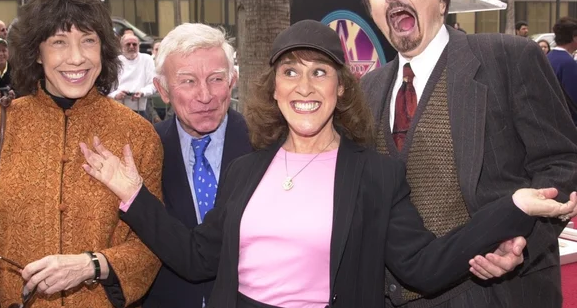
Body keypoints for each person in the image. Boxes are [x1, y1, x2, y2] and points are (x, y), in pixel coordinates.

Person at [80, 20, 577, 308]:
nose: (304, 85)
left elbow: (425, 267)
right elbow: (194, 257)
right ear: (273, 90)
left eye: (320, 72)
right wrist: (132, 194)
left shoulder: (376, 175)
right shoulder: (246, 172)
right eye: (290, 72)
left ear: (340, 89)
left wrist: (511, 206)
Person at [357, 0, 577, 308]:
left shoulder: (507, 58)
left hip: (496, 294)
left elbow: (561, 163)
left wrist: (521, 241)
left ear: (441, 0)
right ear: (373, 11)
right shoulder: (368, 89)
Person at [0, 0, 163, 308]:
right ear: (37, 51)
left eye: (88, 40)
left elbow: (152, 246)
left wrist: (92, 265)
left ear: (103, 49)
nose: (76, 57)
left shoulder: (138, 135)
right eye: (59, 42)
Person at [143, 23, 253, 308]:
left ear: (233, 81)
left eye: (216, 79)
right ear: (163, 90)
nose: (205, 96)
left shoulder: (265, 145)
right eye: (188, 81)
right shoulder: (145, 149)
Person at [109, 33, 156, 119]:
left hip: (140, 110)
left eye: (134, 44)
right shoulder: (115, 62)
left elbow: (153, 84)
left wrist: (142, 92)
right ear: (121, 46)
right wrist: (116, 94)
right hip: (118, 110)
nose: (131, 47)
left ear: (139, 46)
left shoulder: (147, 59)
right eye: (128, 44)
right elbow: (107, 88)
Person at [548, 17, 577, 124]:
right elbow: (574, 97)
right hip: (567, 124)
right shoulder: (568, 63)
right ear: (574, 37)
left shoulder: (548, 57)